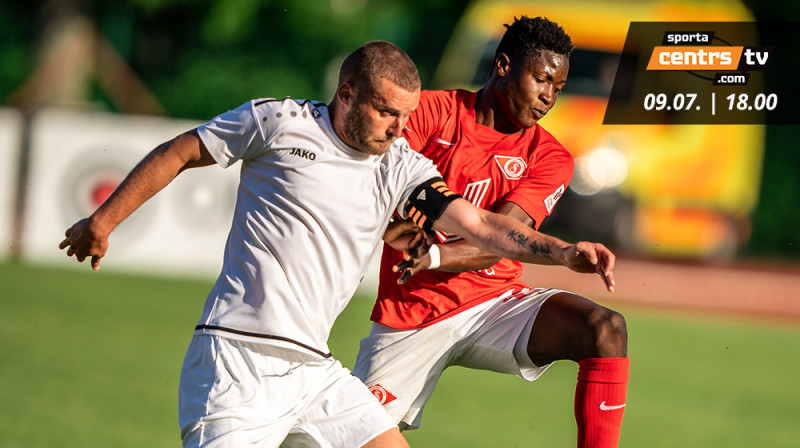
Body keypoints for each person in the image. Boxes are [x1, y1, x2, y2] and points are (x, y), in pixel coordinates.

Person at [58, 40, 614, 448]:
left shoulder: (399, 165)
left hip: (315, 372)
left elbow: (485, 227)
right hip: (236, 363)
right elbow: (181, 150)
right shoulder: (278, 123)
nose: (400, 127)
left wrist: (561, 253)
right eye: (387, 112)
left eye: (405, 115)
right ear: (346, 94)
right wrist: (103, 222)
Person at [352, 17, 629, 448]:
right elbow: (372, 182)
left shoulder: (551, 157)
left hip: (493, 306)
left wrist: (435, 255)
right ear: (503, 65)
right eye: (541, 80)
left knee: (605, 327)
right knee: (341, 437)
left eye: (558, 86)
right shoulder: (428, 112)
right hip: (411, 314)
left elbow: (497, 240)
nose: (549, 97)